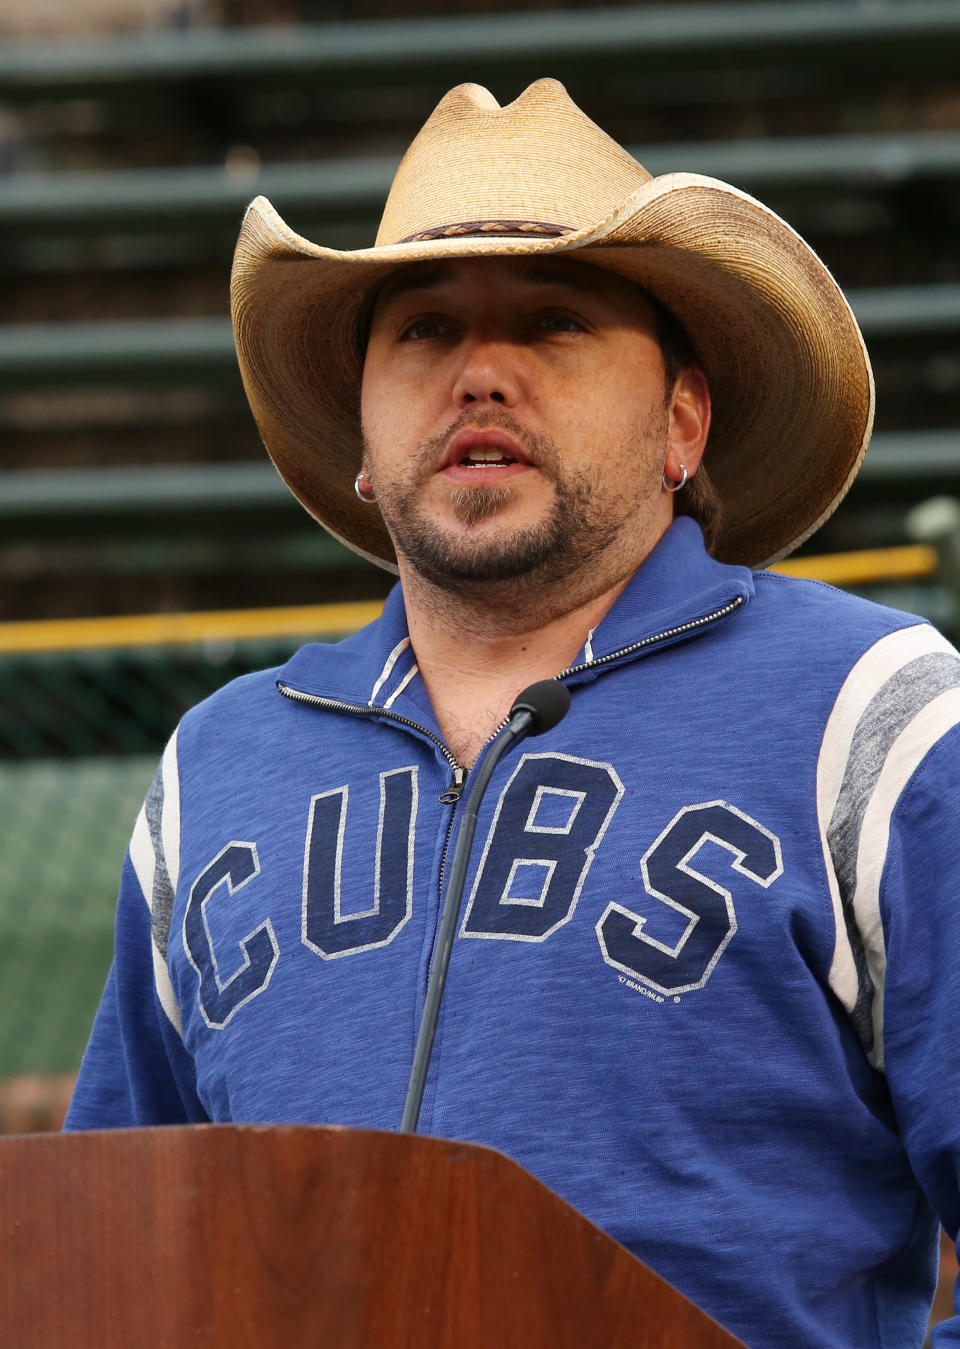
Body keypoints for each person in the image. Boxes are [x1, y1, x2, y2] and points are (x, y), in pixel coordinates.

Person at [65, 80, 960, 1348]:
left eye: (553, 320)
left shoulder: (874, 710)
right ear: (363, 443)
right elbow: (115, 1261)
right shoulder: (216, 765)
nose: (481, 371)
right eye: (424, 332)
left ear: (682, 422)